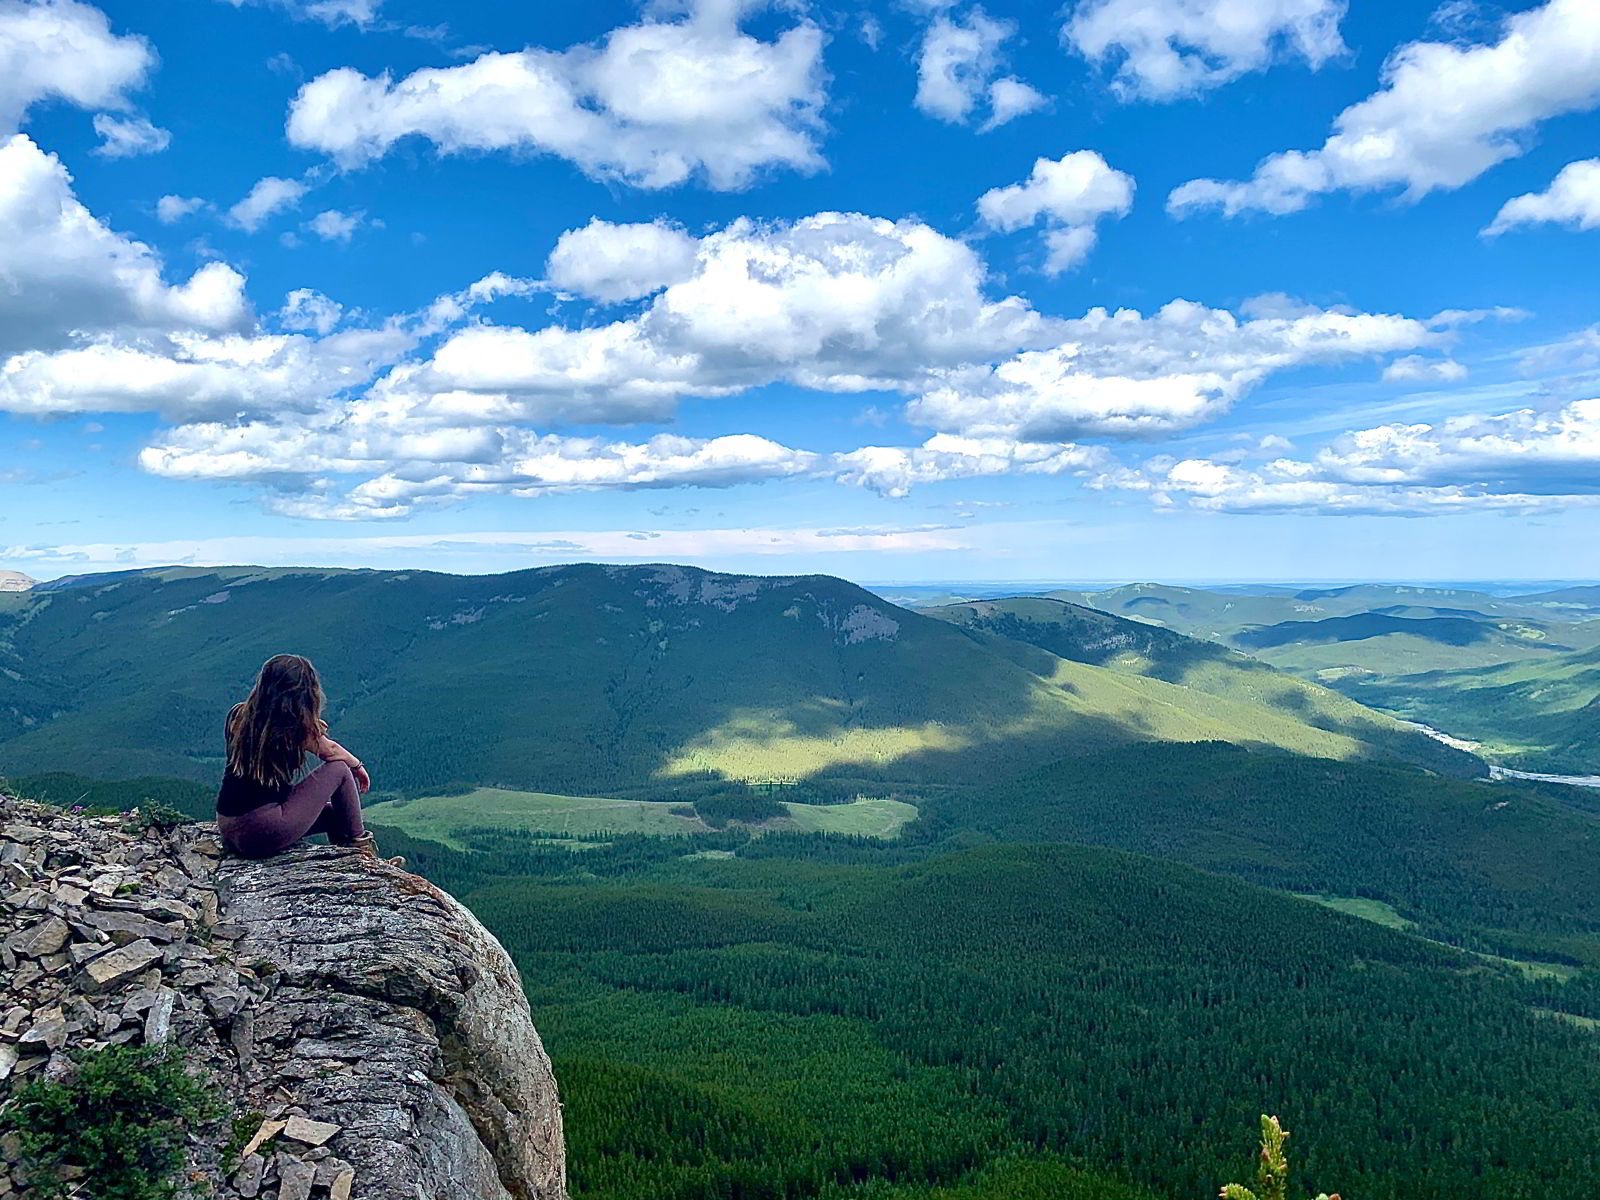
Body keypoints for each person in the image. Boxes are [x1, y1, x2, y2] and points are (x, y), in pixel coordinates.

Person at [216, 653, 401, 865]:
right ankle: (364, 854)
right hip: (262, 830)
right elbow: (331, 751)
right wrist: (358, 766)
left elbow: (272, 727)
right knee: (340, 769)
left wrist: (309, 727)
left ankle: (352, 861)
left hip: (229, 826)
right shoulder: (293, 729)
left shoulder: (238, 716)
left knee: (337, 815)